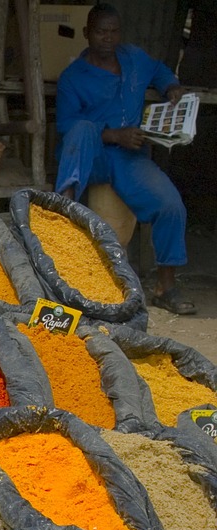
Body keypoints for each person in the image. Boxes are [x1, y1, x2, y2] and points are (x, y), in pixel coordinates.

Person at [55, 3, 192, 314]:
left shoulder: (133, 58)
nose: (108, 37)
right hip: (91, 155)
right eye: (101, 31)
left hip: (129, 157)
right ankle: (61, 220)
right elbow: (65, 125)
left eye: (114, 31)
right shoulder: (73, 77)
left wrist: (170, 86)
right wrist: (115, 135)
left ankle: (165, 287)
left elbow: (158, 70)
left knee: (171, 205)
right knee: (82, 128)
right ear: (87, 33)